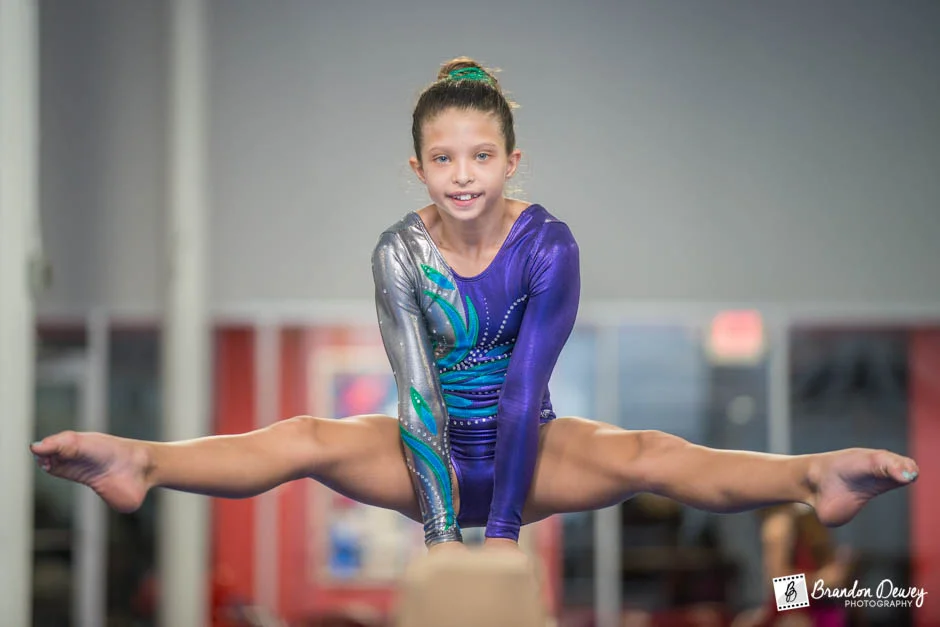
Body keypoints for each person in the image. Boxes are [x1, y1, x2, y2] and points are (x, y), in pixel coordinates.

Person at [31, 57, 919, 557]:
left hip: (532, 451)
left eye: (482, 156)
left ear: (511, 159)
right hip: (428, 449)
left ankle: (814, 475)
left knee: (651, 452)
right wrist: (437, 532)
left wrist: (499, 534)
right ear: (417, 167)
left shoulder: (549, 245)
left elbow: (523, 388)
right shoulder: (399, 252)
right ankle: (142, 461)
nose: (464, 176)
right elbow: (418, 393)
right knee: (304, 436)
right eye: (444, 159)